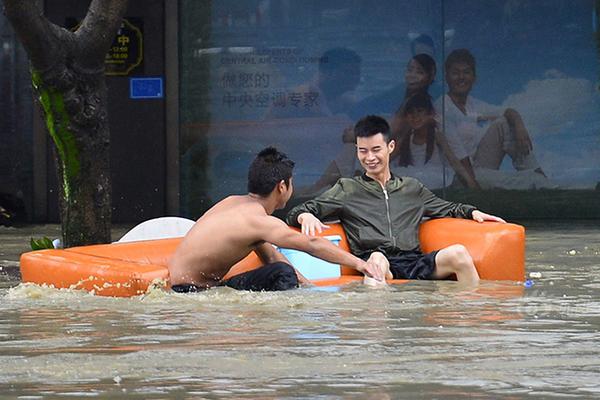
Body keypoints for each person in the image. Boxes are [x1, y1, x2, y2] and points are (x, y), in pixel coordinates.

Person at [286, 116, 505, 286]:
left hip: (415, 261)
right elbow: (299, 210)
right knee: (377, 260)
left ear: (390, 147)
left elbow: (449, 208)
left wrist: (472, 212)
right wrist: (305, 215)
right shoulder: (347, 188)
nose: (369, 158)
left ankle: (474, 322)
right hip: (378, 262)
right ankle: (377, 338)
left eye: (376, 150)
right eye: (363, 151)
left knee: (459, 253)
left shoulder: (411, 188)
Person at [168, 147, 382, 292]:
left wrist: (310, 289)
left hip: (180, 285)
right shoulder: (259, 222)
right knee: (282, 274)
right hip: (191, 292)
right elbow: (312, 244)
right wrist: (361, 264)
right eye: (291, 183)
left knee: (282, 271)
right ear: (282, 187)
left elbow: (271, 256)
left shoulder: (233, 203)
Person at [436, 49, 554, 189]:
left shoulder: (472, 104)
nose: (461, 77)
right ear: (447, 77)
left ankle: (538, 174)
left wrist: (519, 125)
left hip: (478, 166)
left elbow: (508, 112)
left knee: (505, 123)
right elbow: (457, 155)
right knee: (507, 181)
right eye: (455, 73)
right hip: (458, 174)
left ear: (474, 77)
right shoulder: (442, 106)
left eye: (466, 72)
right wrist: (472, 181)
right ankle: (539, 181)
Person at [392, 92, 478, 189]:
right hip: (412, 173)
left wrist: (470, 181)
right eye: (411, 113)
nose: (415, 116)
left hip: (433, 175)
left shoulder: (437, 135)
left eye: (420, 111)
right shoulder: (406, 137)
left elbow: (453, 159)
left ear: (430, 114)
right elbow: (389, 158)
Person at [265, 47, 361, 119]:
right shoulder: (305, 95)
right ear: (326, 72)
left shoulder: (344, 100)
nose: (356, 78)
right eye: (349, 73)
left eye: (357, 73)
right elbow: (329, 128)